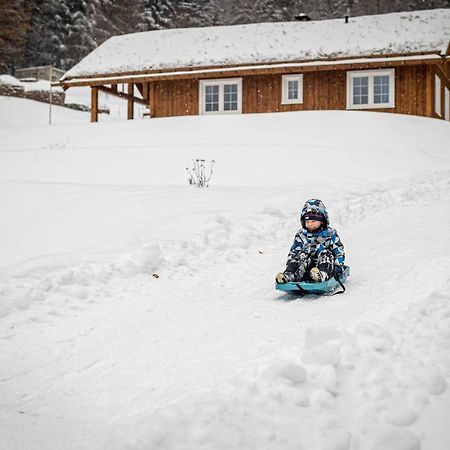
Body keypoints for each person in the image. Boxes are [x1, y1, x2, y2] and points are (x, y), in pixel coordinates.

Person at [276, 198, 345, 283]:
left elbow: (338, 251)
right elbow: (294, 251)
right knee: (302, 255)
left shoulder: (330, 234)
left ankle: (321, 275)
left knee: (325, 254)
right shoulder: (301, 234)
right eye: (307, 221)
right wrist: (291, 264)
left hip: (325, 266)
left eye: (313, 221)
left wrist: (338, 267)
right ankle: (288, 276)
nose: (310, 224)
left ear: (322, 221)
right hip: (305, 269)